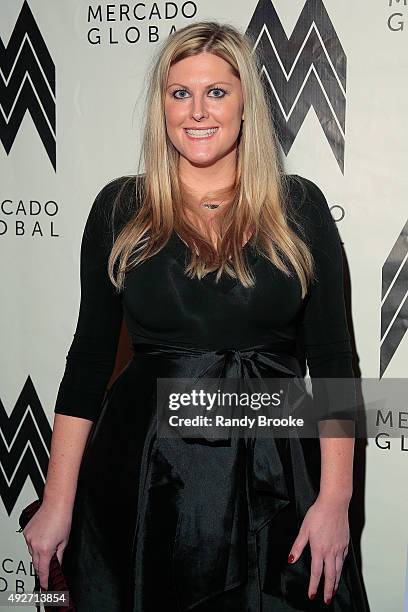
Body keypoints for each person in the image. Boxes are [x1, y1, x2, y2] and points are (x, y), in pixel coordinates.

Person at [21, 21, 368, 612]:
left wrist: (335, 500)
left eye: (216, 91)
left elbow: (335, 362)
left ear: (243, 104)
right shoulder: (121, 209)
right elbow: (87, 363)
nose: (197, 111)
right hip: (149, 473)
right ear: (162, 107)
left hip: (275, 471)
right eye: (180, 93)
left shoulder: (298, 207)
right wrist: (57, 503)